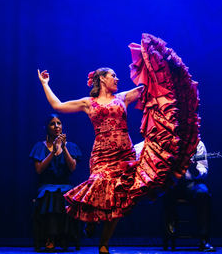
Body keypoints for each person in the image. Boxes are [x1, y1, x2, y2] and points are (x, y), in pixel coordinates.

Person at [37, 68, 143, 254]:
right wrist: (45, 84)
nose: (117, 79)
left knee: (117, 199)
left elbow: (146, 88)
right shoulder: (89, 103)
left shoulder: (123, 97)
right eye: (113, 76)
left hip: (124, 155)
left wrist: (153, 65)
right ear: (102, 79)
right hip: (102, 155)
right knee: (98, 184)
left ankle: (104, 243)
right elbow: (58, 106)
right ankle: (91, 218)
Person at [136, 140, 216, 252]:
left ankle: (204, 239)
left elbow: (204, 170)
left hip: (191, 183)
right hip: (170, 183)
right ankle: (172, 216)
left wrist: (195, 170)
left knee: (204, 193)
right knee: (161, 190)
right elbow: (138, 148)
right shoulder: (165, 140)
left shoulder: (197, 144)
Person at [30, 114, 82, 252]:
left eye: (59, 123)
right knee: (49, 194)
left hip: (65, 184)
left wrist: (63, 147)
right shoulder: (40, 146)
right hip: (46, 185)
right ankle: (50, 237)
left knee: (66, 194)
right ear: (47, 128)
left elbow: (72, 167)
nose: (57, 126)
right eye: (53, 124)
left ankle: (64, 236)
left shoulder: (70, 146)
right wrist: (53, 151)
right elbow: (39, 170)